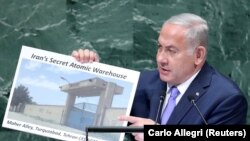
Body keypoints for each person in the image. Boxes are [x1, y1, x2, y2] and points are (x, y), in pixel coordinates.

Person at [72, 13, 248, 141]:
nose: (161, 58)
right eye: (159, 47)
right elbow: (95, 116)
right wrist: (89, 68)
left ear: (198, 55)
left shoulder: (227, 100)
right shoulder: (144, 82)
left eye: (171, 51)